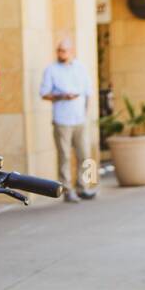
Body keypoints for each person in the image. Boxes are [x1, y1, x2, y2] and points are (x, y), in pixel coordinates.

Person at [40, 36, 96, 202]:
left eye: (63, 50)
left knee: (85, 155)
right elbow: (44, 94)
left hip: (80, 120)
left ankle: (84, 187)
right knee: (64, 156)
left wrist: (86, 114)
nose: (60, 53)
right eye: (58, 50)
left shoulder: (81, 68)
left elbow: (88, 93)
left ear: (71, 51)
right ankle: (67, 190)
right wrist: (62, 96)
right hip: (62, 120)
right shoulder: (51, 70)